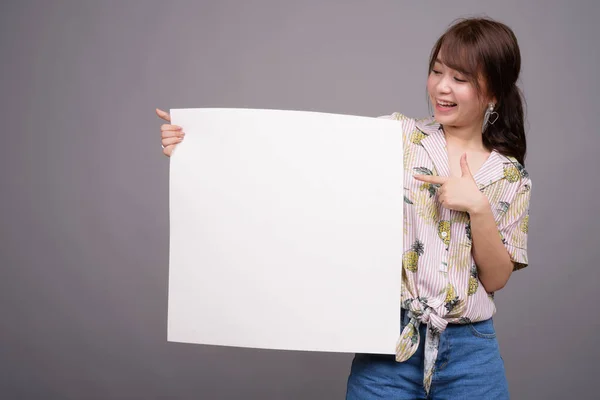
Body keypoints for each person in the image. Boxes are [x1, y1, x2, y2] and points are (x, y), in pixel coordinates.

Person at [156, 17, 531, 400]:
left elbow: (496, 279)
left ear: (493, 93)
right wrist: (199, 145)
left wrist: (478, 208)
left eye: (460, 78)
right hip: (390, 347)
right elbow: (296, 156)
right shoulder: (395, 137)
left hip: (472, 353)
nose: (441, 87)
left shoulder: (510, 177)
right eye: (437, 71)